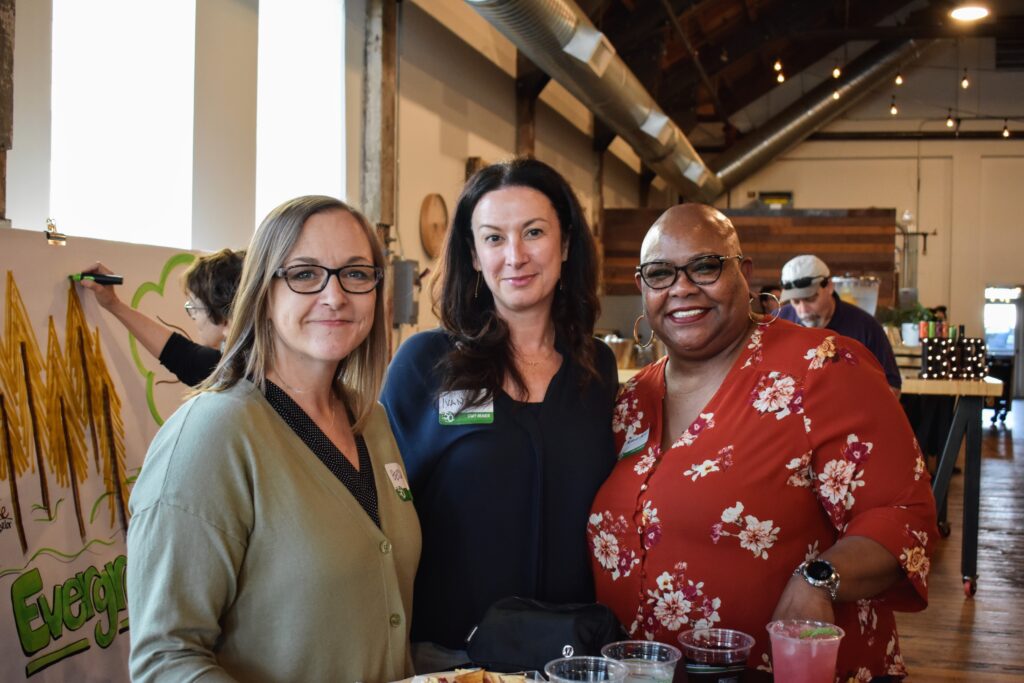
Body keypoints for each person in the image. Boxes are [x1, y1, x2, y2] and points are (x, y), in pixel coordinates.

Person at [589, 204, 937, 681]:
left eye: (705, 266)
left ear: (744, 274)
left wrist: (818, 580)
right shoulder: (631, 400)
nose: (683, 287)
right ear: (643, 288)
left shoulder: (821, 369)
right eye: (660, 273)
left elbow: (904, 517)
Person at [127, 196, 420, 682]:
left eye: (356, 273)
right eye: (305, 274)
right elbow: (165, 659)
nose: (335, 295)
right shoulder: (212, 435)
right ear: (263, 290)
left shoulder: (373, 422)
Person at [381, 158, 618, 672]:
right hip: (453, 659)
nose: (515, 256)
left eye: (533, 232)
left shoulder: (596, 368)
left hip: (571, 656)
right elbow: (378, 513)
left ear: (567, 243)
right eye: (493, 238)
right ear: (472, 252)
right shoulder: (424, 365)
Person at [78, 248, 243, 386]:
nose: (192, 316)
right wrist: (113, 304)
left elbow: (188, 359)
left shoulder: (246, 380)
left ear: (227, 320)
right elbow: (182, 355)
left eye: (195, 307)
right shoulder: (237, 365)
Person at [777, 254, 902, 393]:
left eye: (810, 299)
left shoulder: (865, 327)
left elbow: (892, 387)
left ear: (830, 287)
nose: (803, 310)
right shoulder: (778, 323)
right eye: (795, 301)